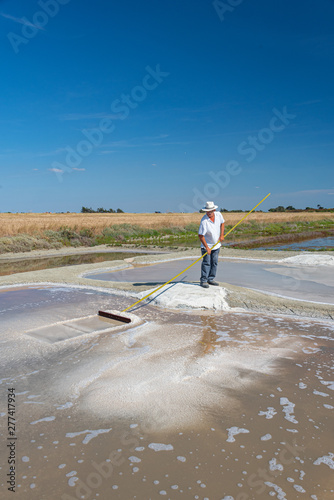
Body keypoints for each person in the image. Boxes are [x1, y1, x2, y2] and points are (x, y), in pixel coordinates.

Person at [198, 201, 225, 288]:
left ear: (214, 210)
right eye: (207, 211)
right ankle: (203, 280)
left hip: (216, 245)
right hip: (207, 246)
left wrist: (221, 235)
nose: (209, 213)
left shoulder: (218, 215)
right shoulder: (204, 221)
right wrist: (207, 247)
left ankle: (211, 279)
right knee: (206, 263)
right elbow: (200, 235)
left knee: (214, 263)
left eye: (210, 211)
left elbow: (222, 223)